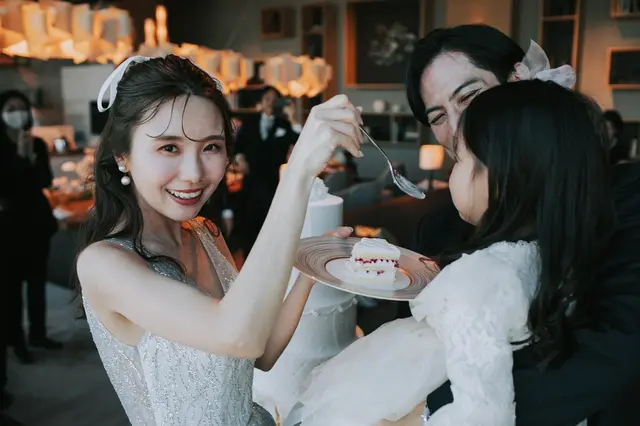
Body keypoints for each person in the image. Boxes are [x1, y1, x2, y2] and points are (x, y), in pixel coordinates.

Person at [286, 76, 614, 425]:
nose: (453, 170)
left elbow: (481, 414)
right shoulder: (552, 261)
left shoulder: (476, 280)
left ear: (501, 181)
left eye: (460, 159)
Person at [75, 55, 362, 426]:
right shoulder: (104, 264)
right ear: (123, 156)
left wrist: (309, 269)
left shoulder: (205, 233)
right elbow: (237, 335)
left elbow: (260, 350)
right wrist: (298, 172)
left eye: (211, 147)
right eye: (169, 147)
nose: (194, 174)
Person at [406, 25, 640, 426]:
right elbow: (419, 343)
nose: (457, 125)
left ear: (519, 82)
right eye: (439, 116)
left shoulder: (623, 198)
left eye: (469, 96)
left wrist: (443, 410)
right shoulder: (441, 229)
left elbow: (615, 346)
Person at [0, 90, 61, 365]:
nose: (17, 112)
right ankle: (17, 341)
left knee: (37, 284)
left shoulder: (36, 143)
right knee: (11, 288)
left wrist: (30, 159)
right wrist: (22, 159)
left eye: (21, 107)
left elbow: (45, 181)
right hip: (9, 227)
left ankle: (38, 334)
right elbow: (6, 186)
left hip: (37, 222)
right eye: (11, 107)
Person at [233, 86, 302, 256]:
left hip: (273, 182)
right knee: (250, 222)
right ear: (261, 102)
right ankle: (249, 258)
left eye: (274, 99)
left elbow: (301, 142)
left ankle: (271, 256)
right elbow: (237, 145)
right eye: (267, 99)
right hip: (251, 181)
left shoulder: (284, 124)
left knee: (272, 222)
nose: (270, 102)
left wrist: (292, 118)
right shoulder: (250, 121)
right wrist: (240, 158)